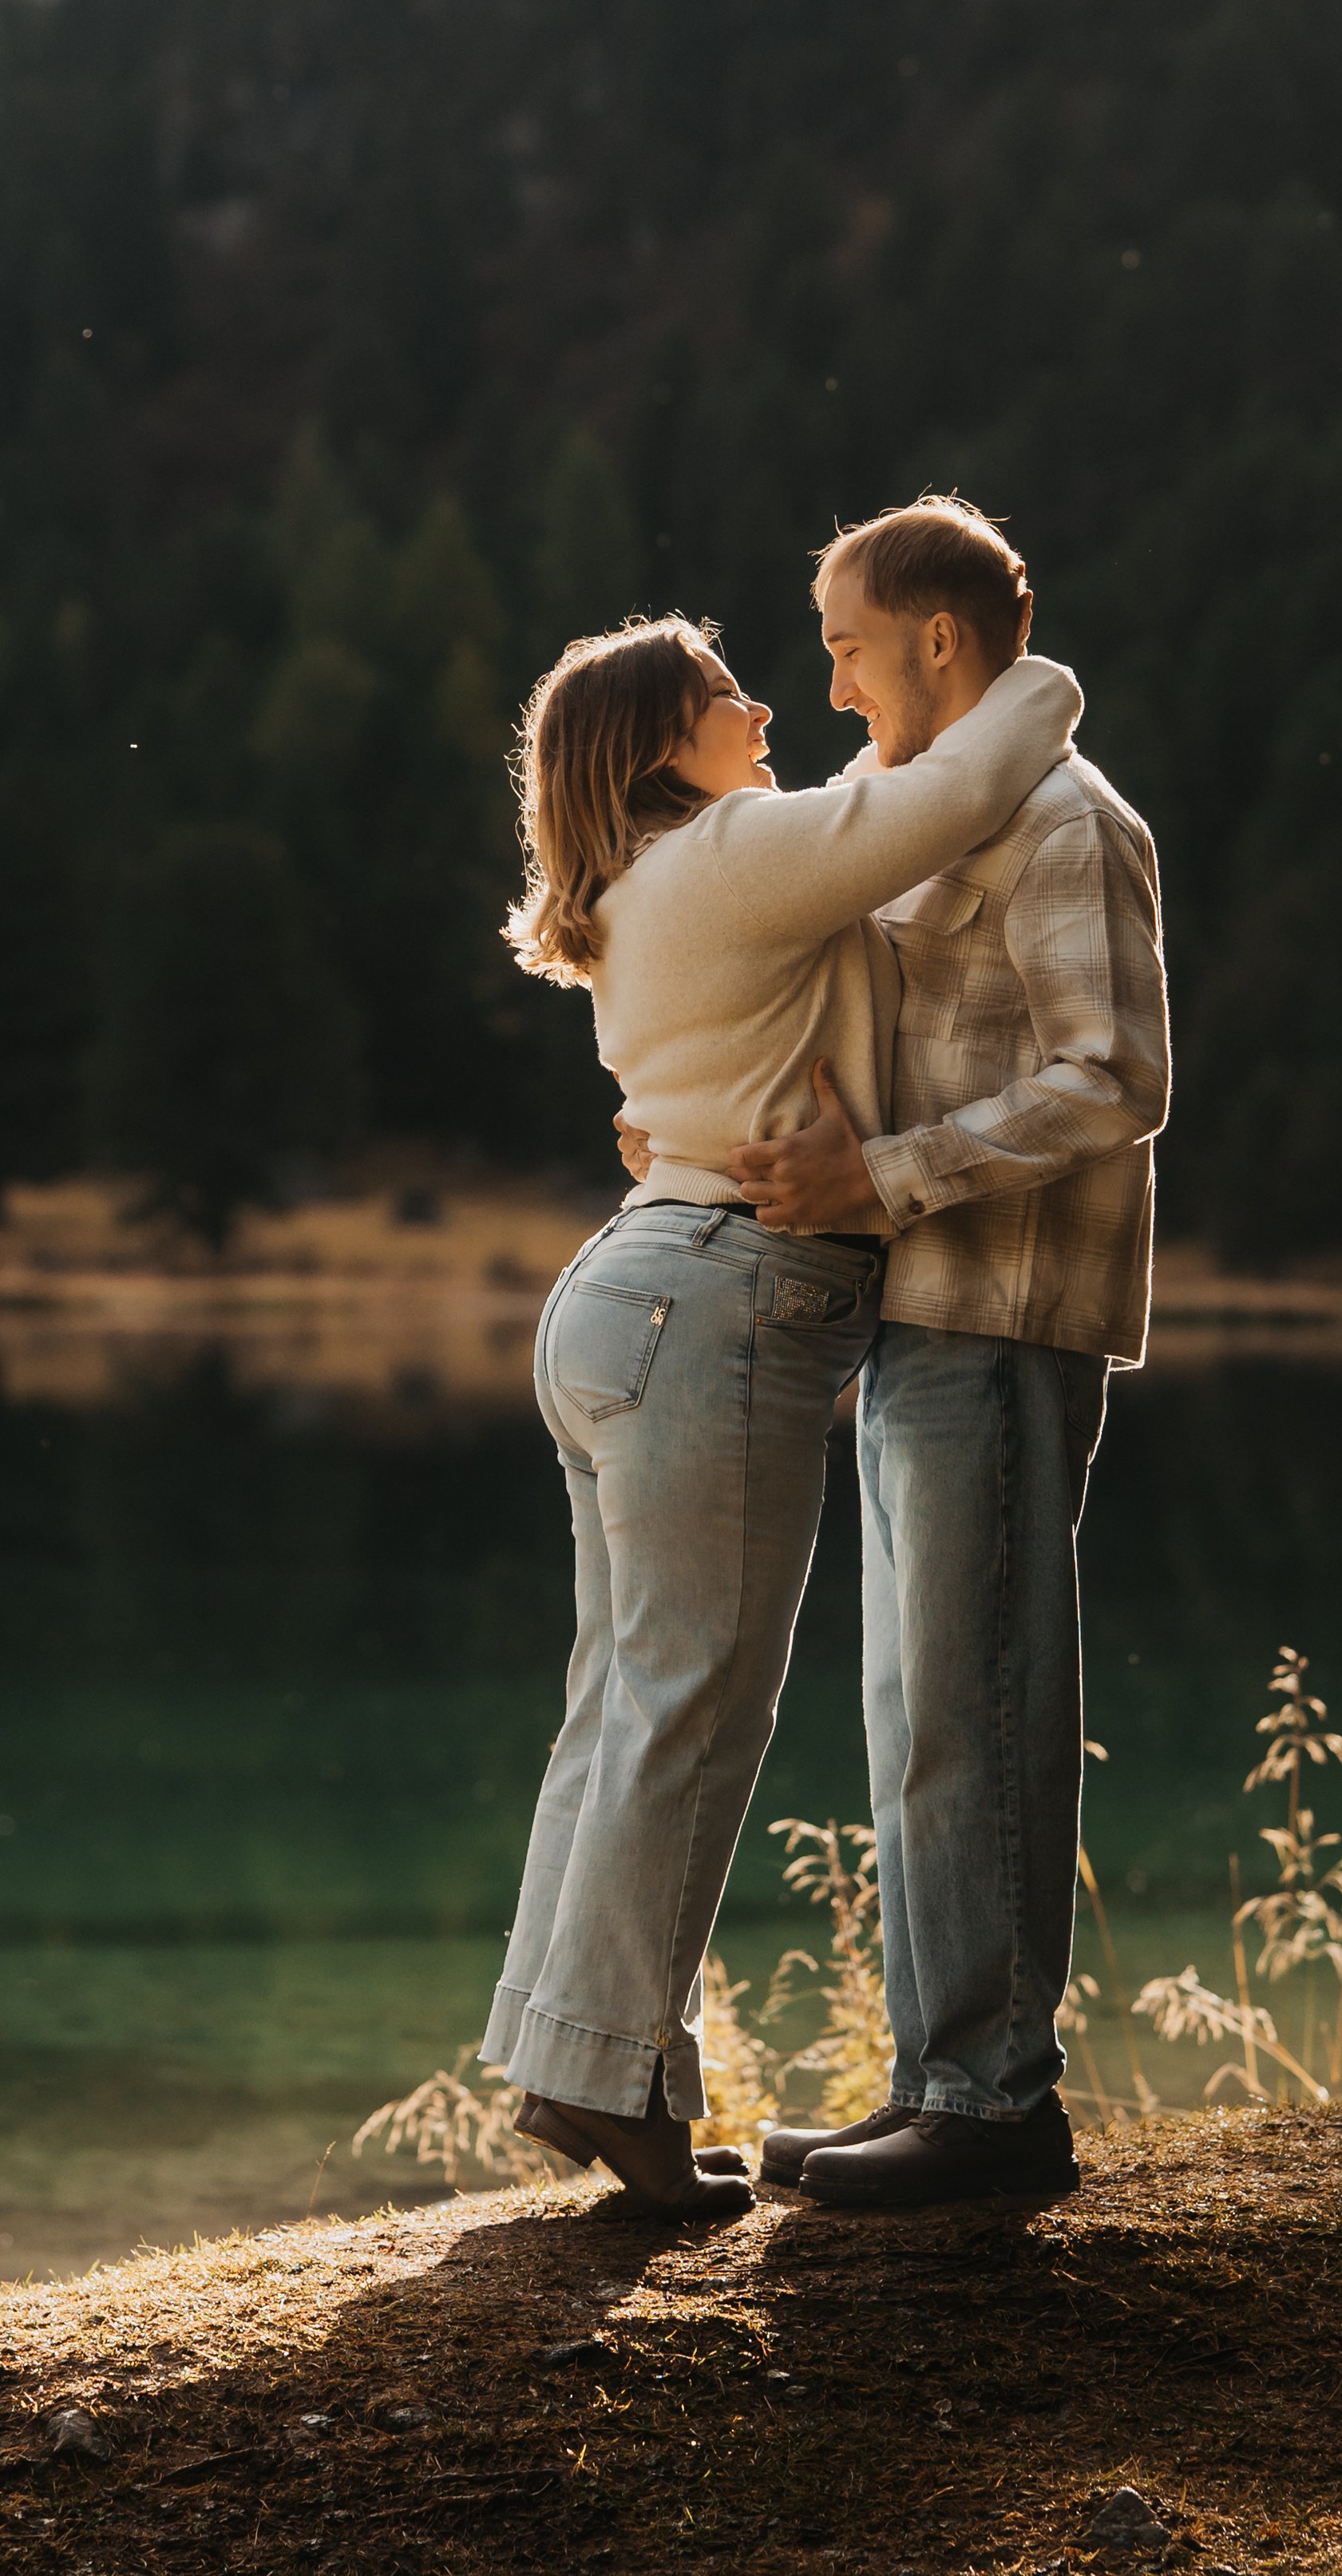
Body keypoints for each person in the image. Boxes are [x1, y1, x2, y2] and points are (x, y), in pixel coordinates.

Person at [487, 610, 1080, 2221]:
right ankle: (611, 2082)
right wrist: (1039, 669)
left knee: (623, 1697)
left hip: (639, 1293)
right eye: (724, 695)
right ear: (662, 746)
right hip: (718, 1300)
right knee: (688, 1705)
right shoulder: (732, 851)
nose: (764, 710)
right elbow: (952, 796)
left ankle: (570, 2057)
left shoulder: (646, 884)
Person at [621, 497, 1169, 2209]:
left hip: (1002, 1313)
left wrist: (882, 1175)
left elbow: (1114, 1080)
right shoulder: (938, 828)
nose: (832, 681)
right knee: (917, 1707)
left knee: (975, 1699)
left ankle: (996, 2111)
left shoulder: (1066, 824)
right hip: (918, 1312)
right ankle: (940, 2081)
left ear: (938, 639)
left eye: (848, 643)